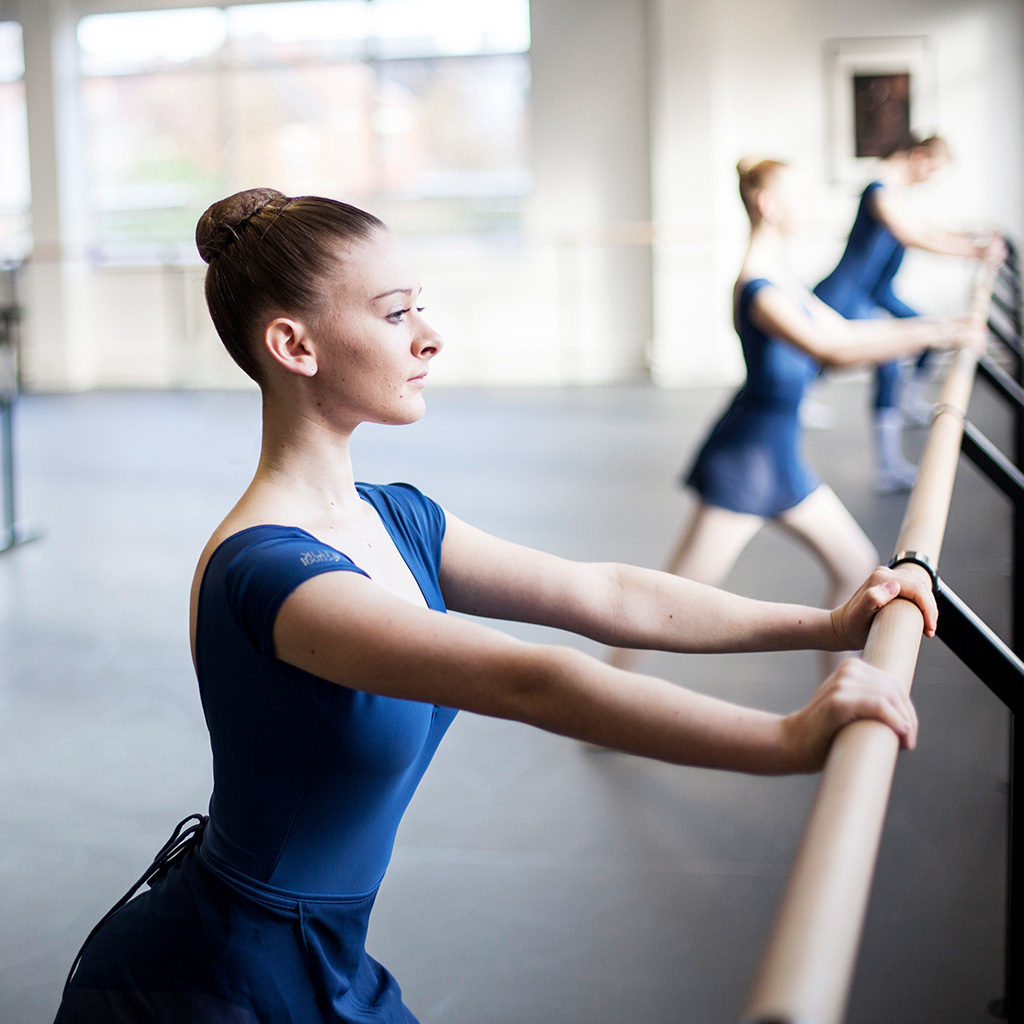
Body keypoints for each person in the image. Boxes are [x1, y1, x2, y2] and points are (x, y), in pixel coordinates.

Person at [56, 187, 938, 1024]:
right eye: (395, 314)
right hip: (217, 977)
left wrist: (829, 624)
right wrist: (787, 740)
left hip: (313, 950)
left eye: (421, 307)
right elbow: (531, 681)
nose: (429, 337)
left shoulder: (396, 517)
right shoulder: (270, 574)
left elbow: (605, 592)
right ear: (294, 345)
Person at [608, 157, 984, 677]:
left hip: (779, 457)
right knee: (673, 599)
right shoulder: (758, 288)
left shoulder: (781, 278)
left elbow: (846, 333)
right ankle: (600, 688)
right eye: (800, 197)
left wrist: (941, 327)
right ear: (768, 204)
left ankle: (839, 696)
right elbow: (831, 349)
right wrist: (934, 334)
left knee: (855, 566)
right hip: (746, 460)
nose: (809, 208)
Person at [814, 134, 1004, 491]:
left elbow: (924, 228)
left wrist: (973, 236)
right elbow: (912, 234)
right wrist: (974, 251)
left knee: (916, 340)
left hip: (873, 293)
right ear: (919, 156)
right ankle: (886, 466)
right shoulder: (878, 189)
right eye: (933, 169)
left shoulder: (895, 193)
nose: (932, 178)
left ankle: (907, 408)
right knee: (877, 362)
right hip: (846, 293)